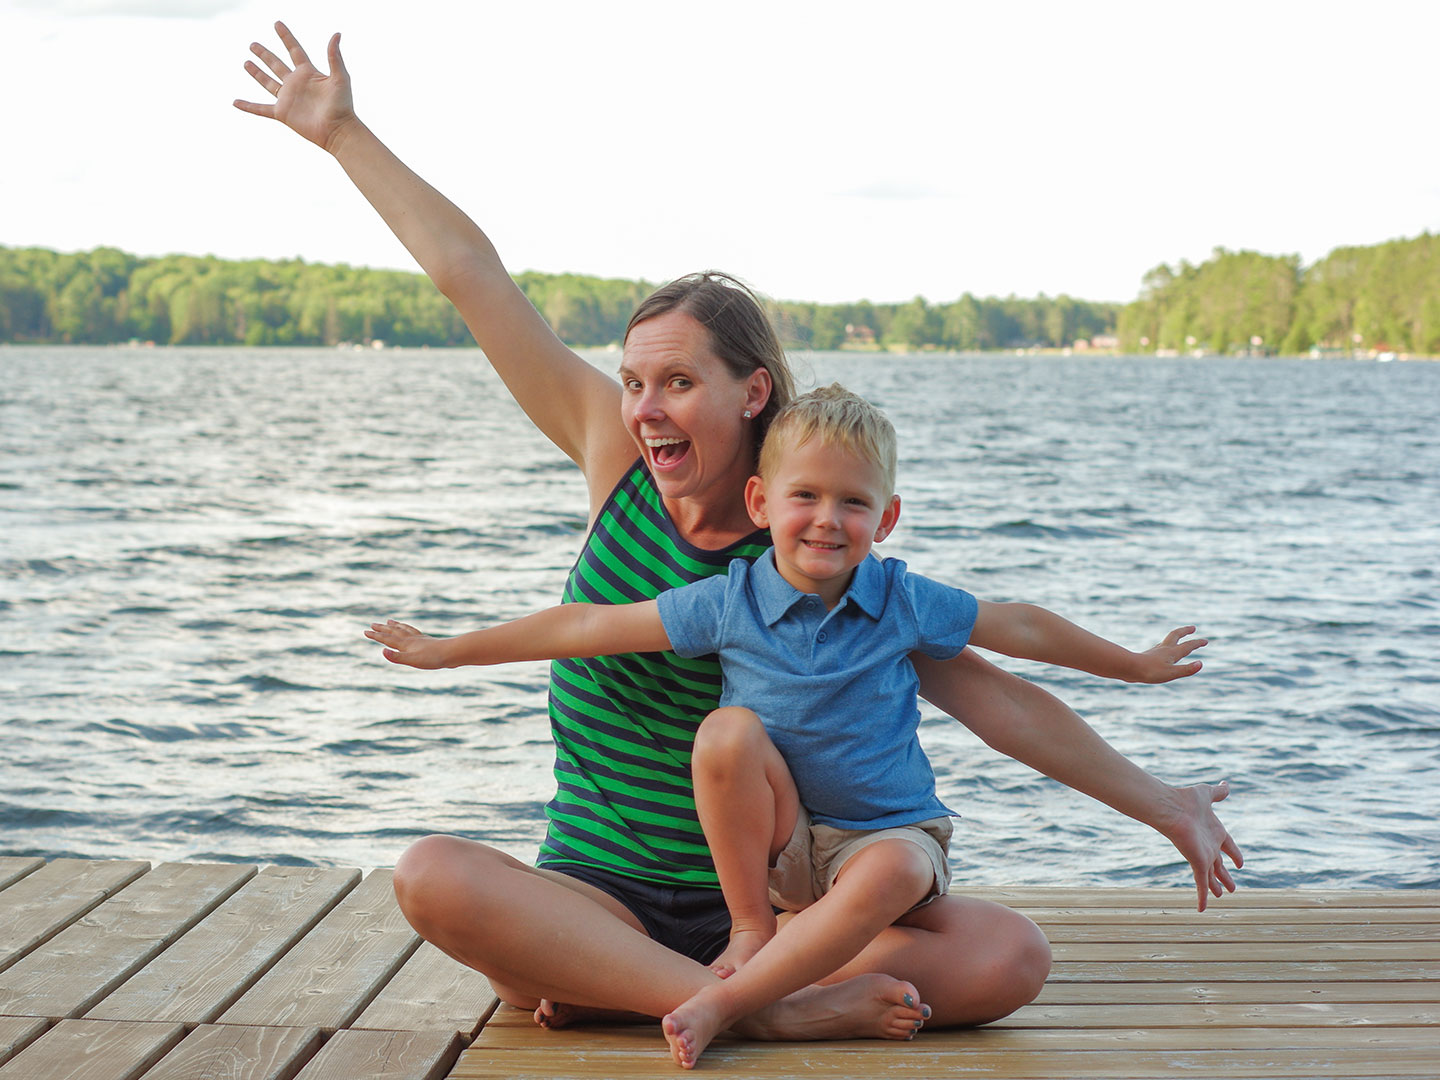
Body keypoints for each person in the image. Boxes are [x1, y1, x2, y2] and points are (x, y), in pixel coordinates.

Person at [236, 21, 1242, 1045]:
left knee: (1009, 954)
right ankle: (766, 1013)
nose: (645, 409)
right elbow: (473, 279)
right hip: (599, 888)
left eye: (678, 383)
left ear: (750, 392)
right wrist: (344, 134)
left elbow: (999, 701)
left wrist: (1164, 803)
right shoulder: (614, 460)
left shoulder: (811, 556)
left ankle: (680, 991)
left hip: (766, 915)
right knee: (435, 877)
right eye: (635, 383)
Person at [366, 384, 1212, 1067]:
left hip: (878, 846)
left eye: (853, 504)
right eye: (804, 497)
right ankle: (764, 987)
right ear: (762, 501)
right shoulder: (730, 601)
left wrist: (1132, 666)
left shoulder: (900, 600)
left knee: (992, 943)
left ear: (885, 519)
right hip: (776, 863)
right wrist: (450, 650)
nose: (826, 520)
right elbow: (586, 626)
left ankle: (707, 993)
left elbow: (1019, 628)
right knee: (722, 736)